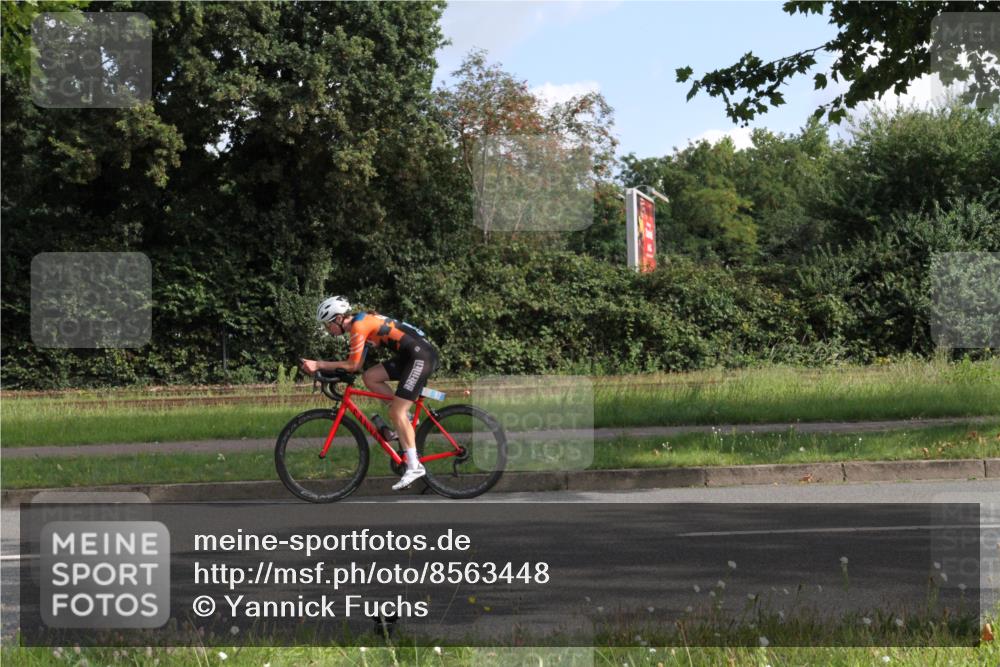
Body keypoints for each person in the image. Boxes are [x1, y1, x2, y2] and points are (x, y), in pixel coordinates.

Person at [300, 296, 439, 490]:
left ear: (339, 319)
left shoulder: (359, 326)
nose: (327, 329)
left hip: (420, 357)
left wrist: (319, 364)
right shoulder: (361, 322)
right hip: (412, 356)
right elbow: (358, 367)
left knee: (396, 412)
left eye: (328, 324)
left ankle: (414, 466)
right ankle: (405, 420)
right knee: (370, 377)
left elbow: (353, 364)